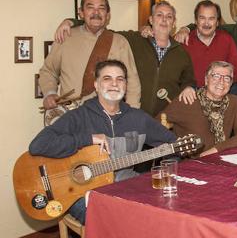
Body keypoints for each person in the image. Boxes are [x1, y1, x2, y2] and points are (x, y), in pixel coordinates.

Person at [29, 60, 178, 224]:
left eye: (120, 79)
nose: (114, 84)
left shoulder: (138, 118)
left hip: (125, 185)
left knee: (158, 213)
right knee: (113, 221)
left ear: (126, 85)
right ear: (96, 85)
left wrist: (168, 169)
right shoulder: (79, 116)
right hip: (80, 192)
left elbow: (173, 144)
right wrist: (87, 138)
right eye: (107, 78)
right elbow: (38, 145)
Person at [55, 1, 196, 117]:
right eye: (159, 15)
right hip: (132, 115)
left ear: (174, 22)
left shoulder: (181, 52)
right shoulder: (133, 40)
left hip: (165, 121)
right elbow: (100, 29)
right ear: (151, 20)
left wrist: (189, 87)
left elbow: (188, 79)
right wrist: (72, 22)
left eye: (169, 16)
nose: (164, 20)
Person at [41, 0, 140, 110]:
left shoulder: (119, 42)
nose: (96, 13)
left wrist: (132, 114)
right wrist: (49, 93)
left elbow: (132, 83)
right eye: (90, 7)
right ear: (81, 13)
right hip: (70, 113)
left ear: (107, 15)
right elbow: (48, 71)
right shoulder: (65, 37)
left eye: (101, 8)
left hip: (107, 113)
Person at [161, 61, 237, 156]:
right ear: (206, 80)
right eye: (216, 76)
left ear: (231, 83)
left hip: (220, 159)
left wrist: (214, 150)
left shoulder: (235, 102)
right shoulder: (187, 100)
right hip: (189, 164)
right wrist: (173, 144)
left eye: (227, 78)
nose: (221, 82)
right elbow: (154, 128)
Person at [182, 0, 237, 87]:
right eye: (202, 18)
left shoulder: (226, 39)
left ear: (217, 22)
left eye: (211, 18)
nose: (206, 23)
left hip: (220, 92)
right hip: (192, 93)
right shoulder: (184, 40)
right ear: (196, 21)